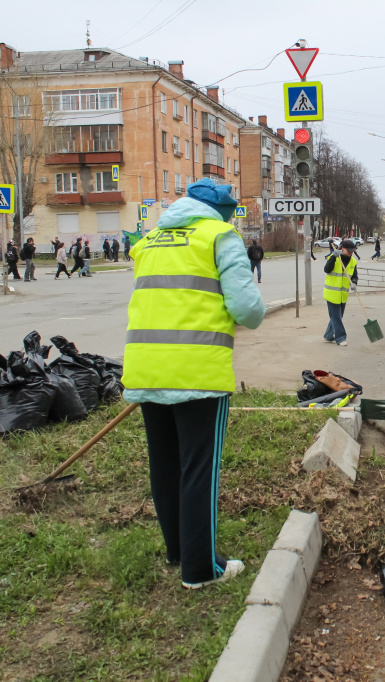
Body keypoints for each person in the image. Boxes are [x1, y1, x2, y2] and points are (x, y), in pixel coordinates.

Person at [122, 178, 265, 590]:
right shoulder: (220, 236)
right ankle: (202, 569)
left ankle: (179, 552)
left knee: (164, 465)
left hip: (147, 367)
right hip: (197, 371)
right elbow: (247, 309)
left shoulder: (148, 242)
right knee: (199, 469)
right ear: (221, 211)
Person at [322, 239, 358, 347]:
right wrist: (333, 257)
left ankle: (328, 335)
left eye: (353, 250)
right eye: (349, 250)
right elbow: (327, 270)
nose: (351, 253)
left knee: (337, 316)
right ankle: (340, 338)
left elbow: (355, 275)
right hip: (332, 294)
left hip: (343, 295)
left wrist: (354, 283)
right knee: (336, 317)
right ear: (342, 249)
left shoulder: (353, 261)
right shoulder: (334, 258)